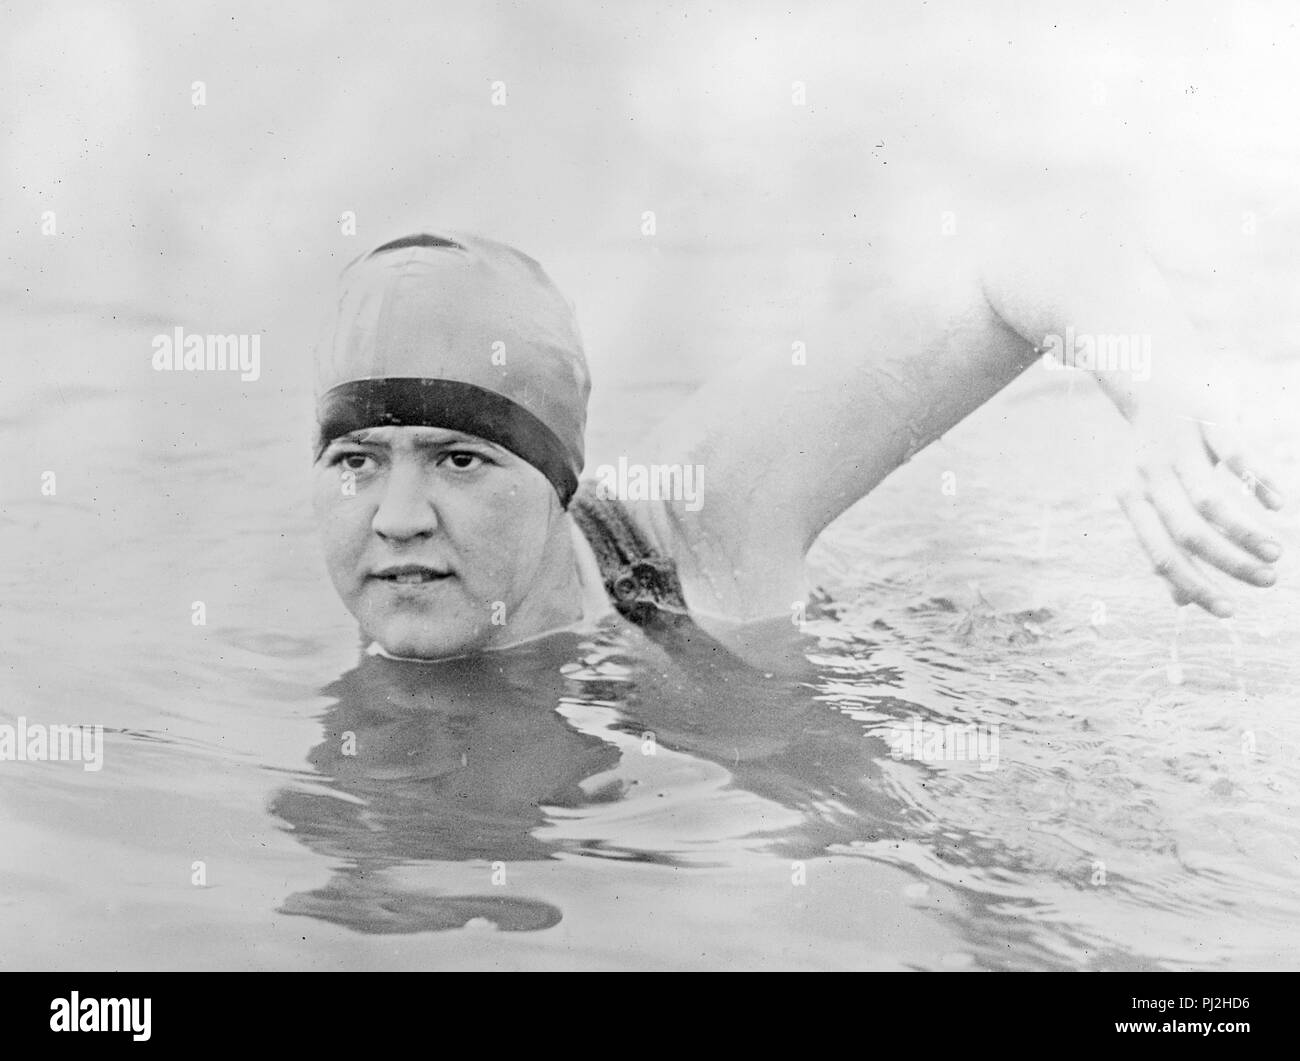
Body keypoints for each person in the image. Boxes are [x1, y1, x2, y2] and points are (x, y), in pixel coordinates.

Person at [312, 225, 1285, 663]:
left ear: (559, 472)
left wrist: (1162, 400)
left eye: (460, 458)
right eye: (356, 461)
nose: (397, 518)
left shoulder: (696, 524)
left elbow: (1034, 247)